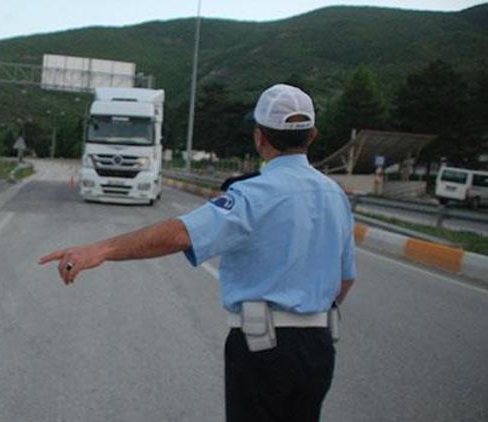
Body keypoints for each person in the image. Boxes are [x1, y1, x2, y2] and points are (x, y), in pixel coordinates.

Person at [38, 84, 356, 422]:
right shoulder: (335, 195)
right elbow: (345, 280)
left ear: (260, 137)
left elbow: (179, 234)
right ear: (312, 136)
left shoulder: (253, 194)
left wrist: (100, 249)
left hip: (264, 347)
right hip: (319, 348)